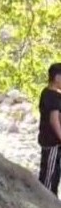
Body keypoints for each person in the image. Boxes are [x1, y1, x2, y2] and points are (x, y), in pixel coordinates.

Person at [38, 63, 61, 196]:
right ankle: (44, 201)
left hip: (54, 141)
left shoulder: (53, 95)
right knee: (49, 175)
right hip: (51, 141)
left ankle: (52, 201)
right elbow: (54, 120)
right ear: (57, 78)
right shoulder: (51, 96)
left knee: (54, 175)